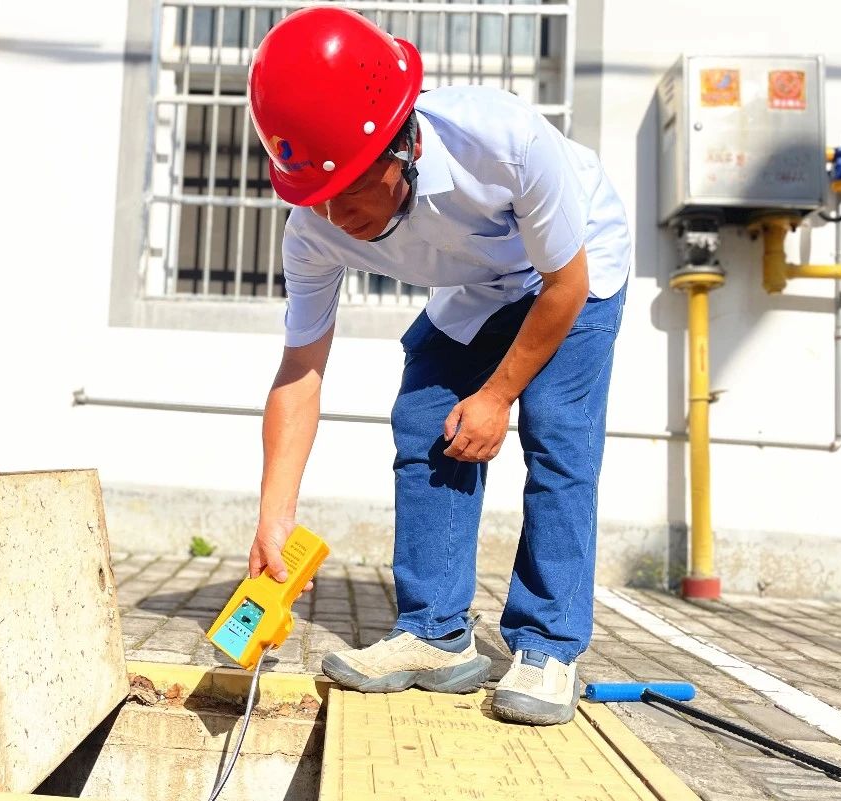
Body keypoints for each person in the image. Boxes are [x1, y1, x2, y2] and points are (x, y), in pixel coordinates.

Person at [245, 7, 631, 725]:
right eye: (312, 195)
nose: (333, 212)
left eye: (351, 186)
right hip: (479, 281)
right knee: (424, 412)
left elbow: (566, 287)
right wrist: (274, 514)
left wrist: (498, 394)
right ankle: (435, 632)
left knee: (557, 430)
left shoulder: (502, 139)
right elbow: (300, 370)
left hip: (575, 263)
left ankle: (548, 645)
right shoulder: (314, 233)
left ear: (402, 147)